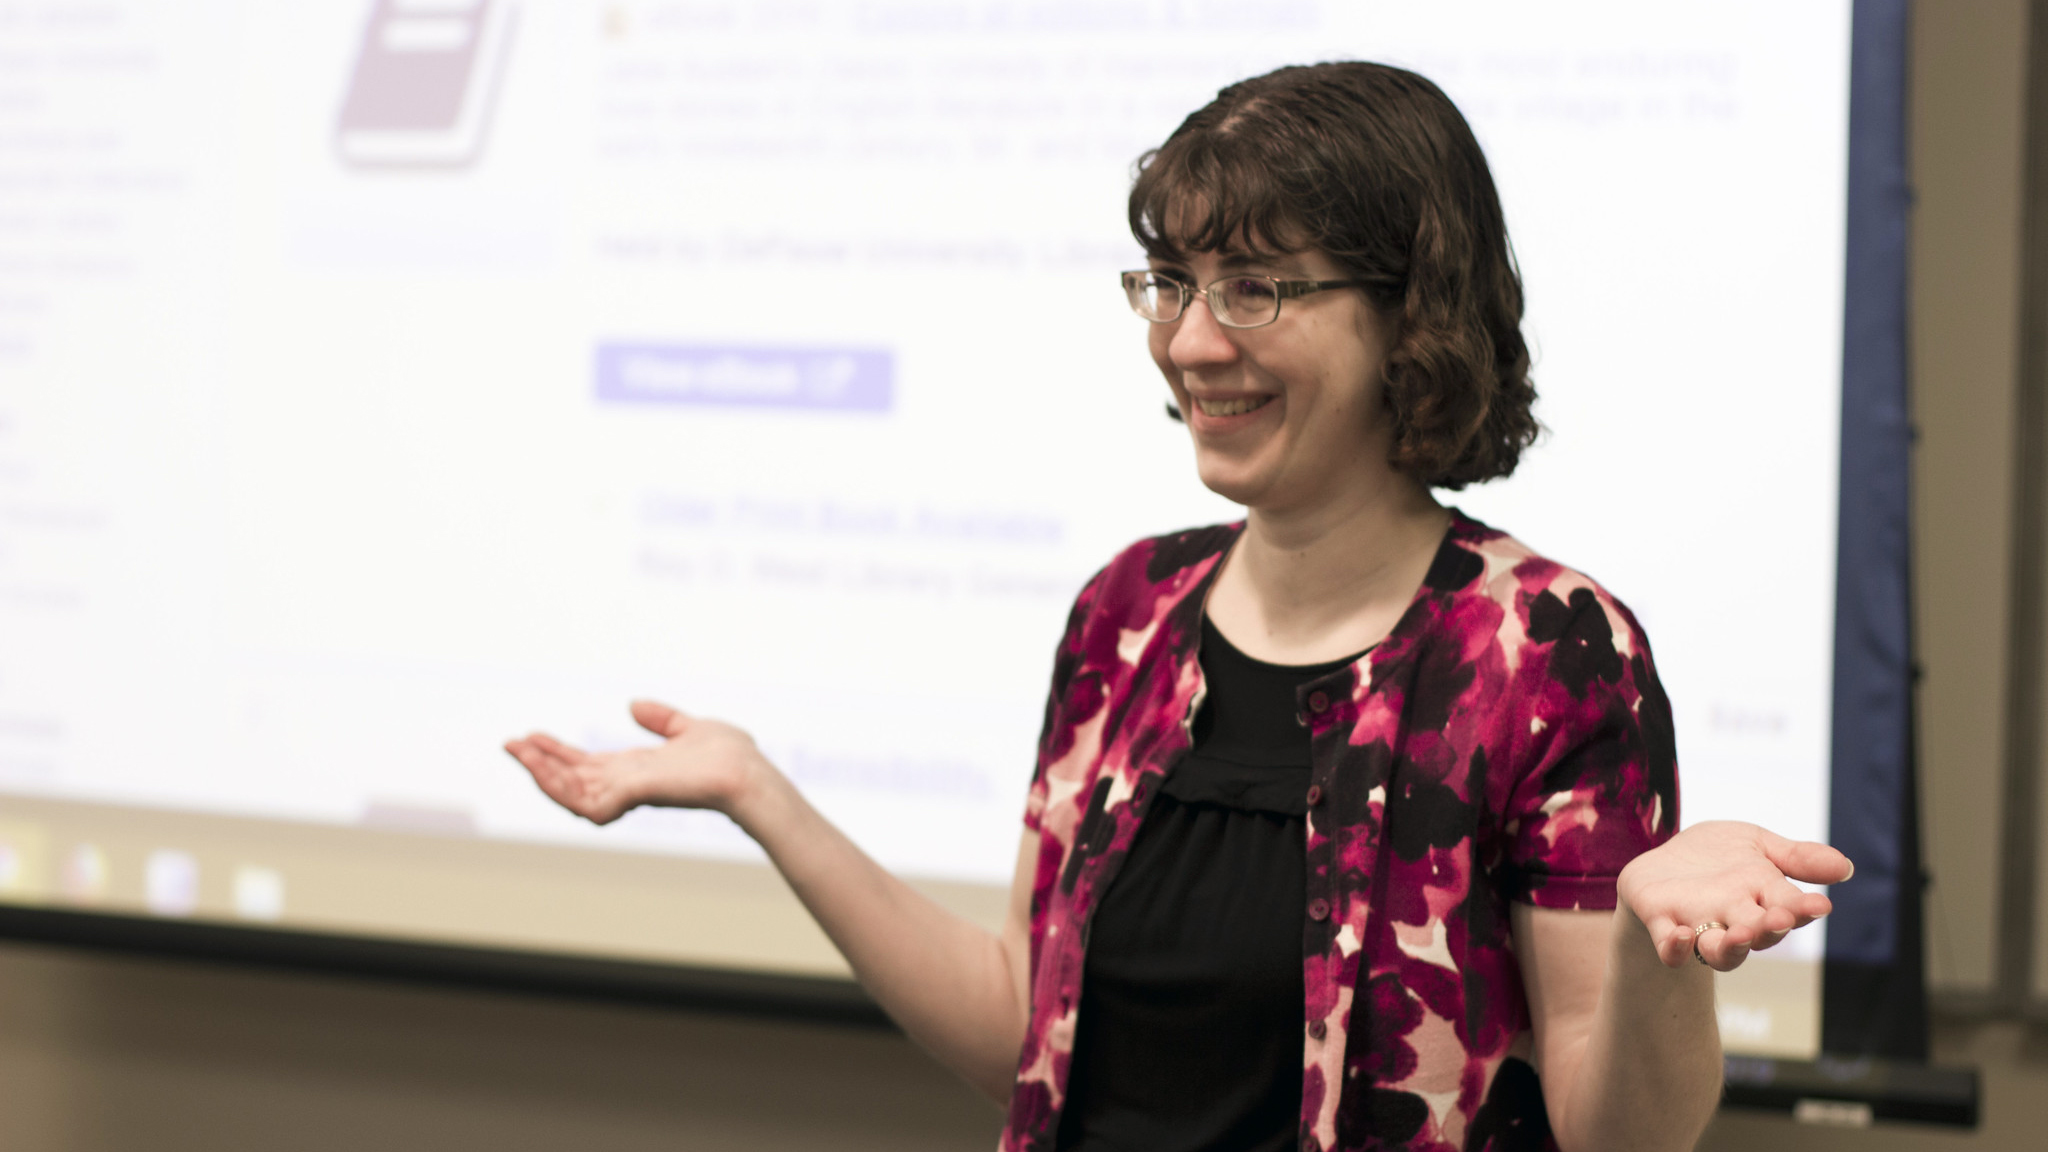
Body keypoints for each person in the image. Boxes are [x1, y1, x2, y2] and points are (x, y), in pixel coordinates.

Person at [505, 62, 1853, 1152]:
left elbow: (1615, 1137)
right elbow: (1028, 1035)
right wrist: (762, 797)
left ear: (1411, 316)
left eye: (1256, 289)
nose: (1192, 340)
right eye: (1174, 281)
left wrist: (1648, 939)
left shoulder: (1545, 651)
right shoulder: (1132, 610)